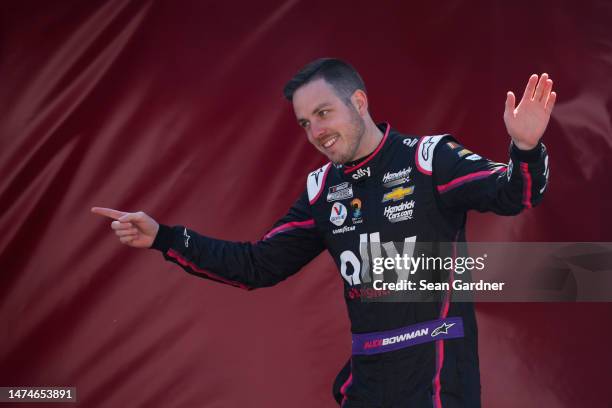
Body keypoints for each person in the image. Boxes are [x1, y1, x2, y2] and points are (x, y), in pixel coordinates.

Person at [92, 58, 555, 407]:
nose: (316, 130)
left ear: (359, 101)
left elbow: (513, 194)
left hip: (435, 385)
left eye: (323, 113)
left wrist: (526, 147)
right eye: (304, 122)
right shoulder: (321, 190)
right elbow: (259, 265)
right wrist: (165, 238)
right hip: (367, 386)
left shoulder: (428, 158)